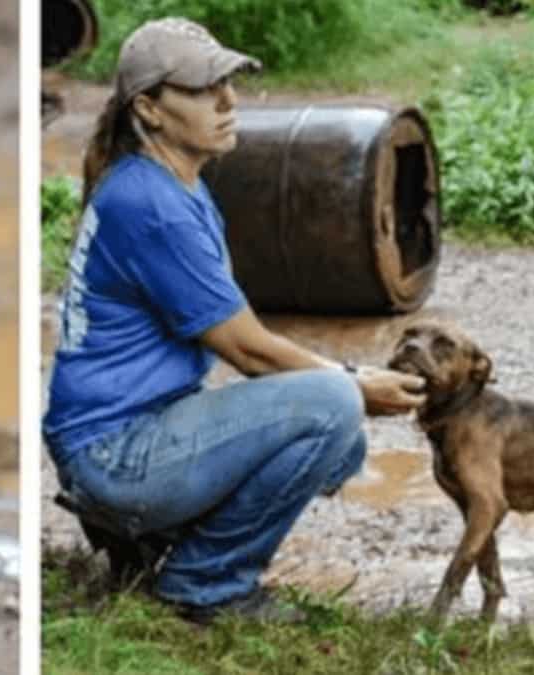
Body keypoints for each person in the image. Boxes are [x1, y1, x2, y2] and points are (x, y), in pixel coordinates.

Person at [42, 17, 427, 625]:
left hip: (124, 435)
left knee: (340, 436)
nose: (227, 102)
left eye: (228, 83)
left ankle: (152, 541)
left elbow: (240, 332)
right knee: (332, 406)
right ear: (150, 109)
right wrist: (355, 379)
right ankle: (206, 582)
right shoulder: (153, 205)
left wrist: (346, 383)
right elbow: (250, 350)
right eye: (200, 90)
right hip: (115, 453)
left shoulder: (172, 183)